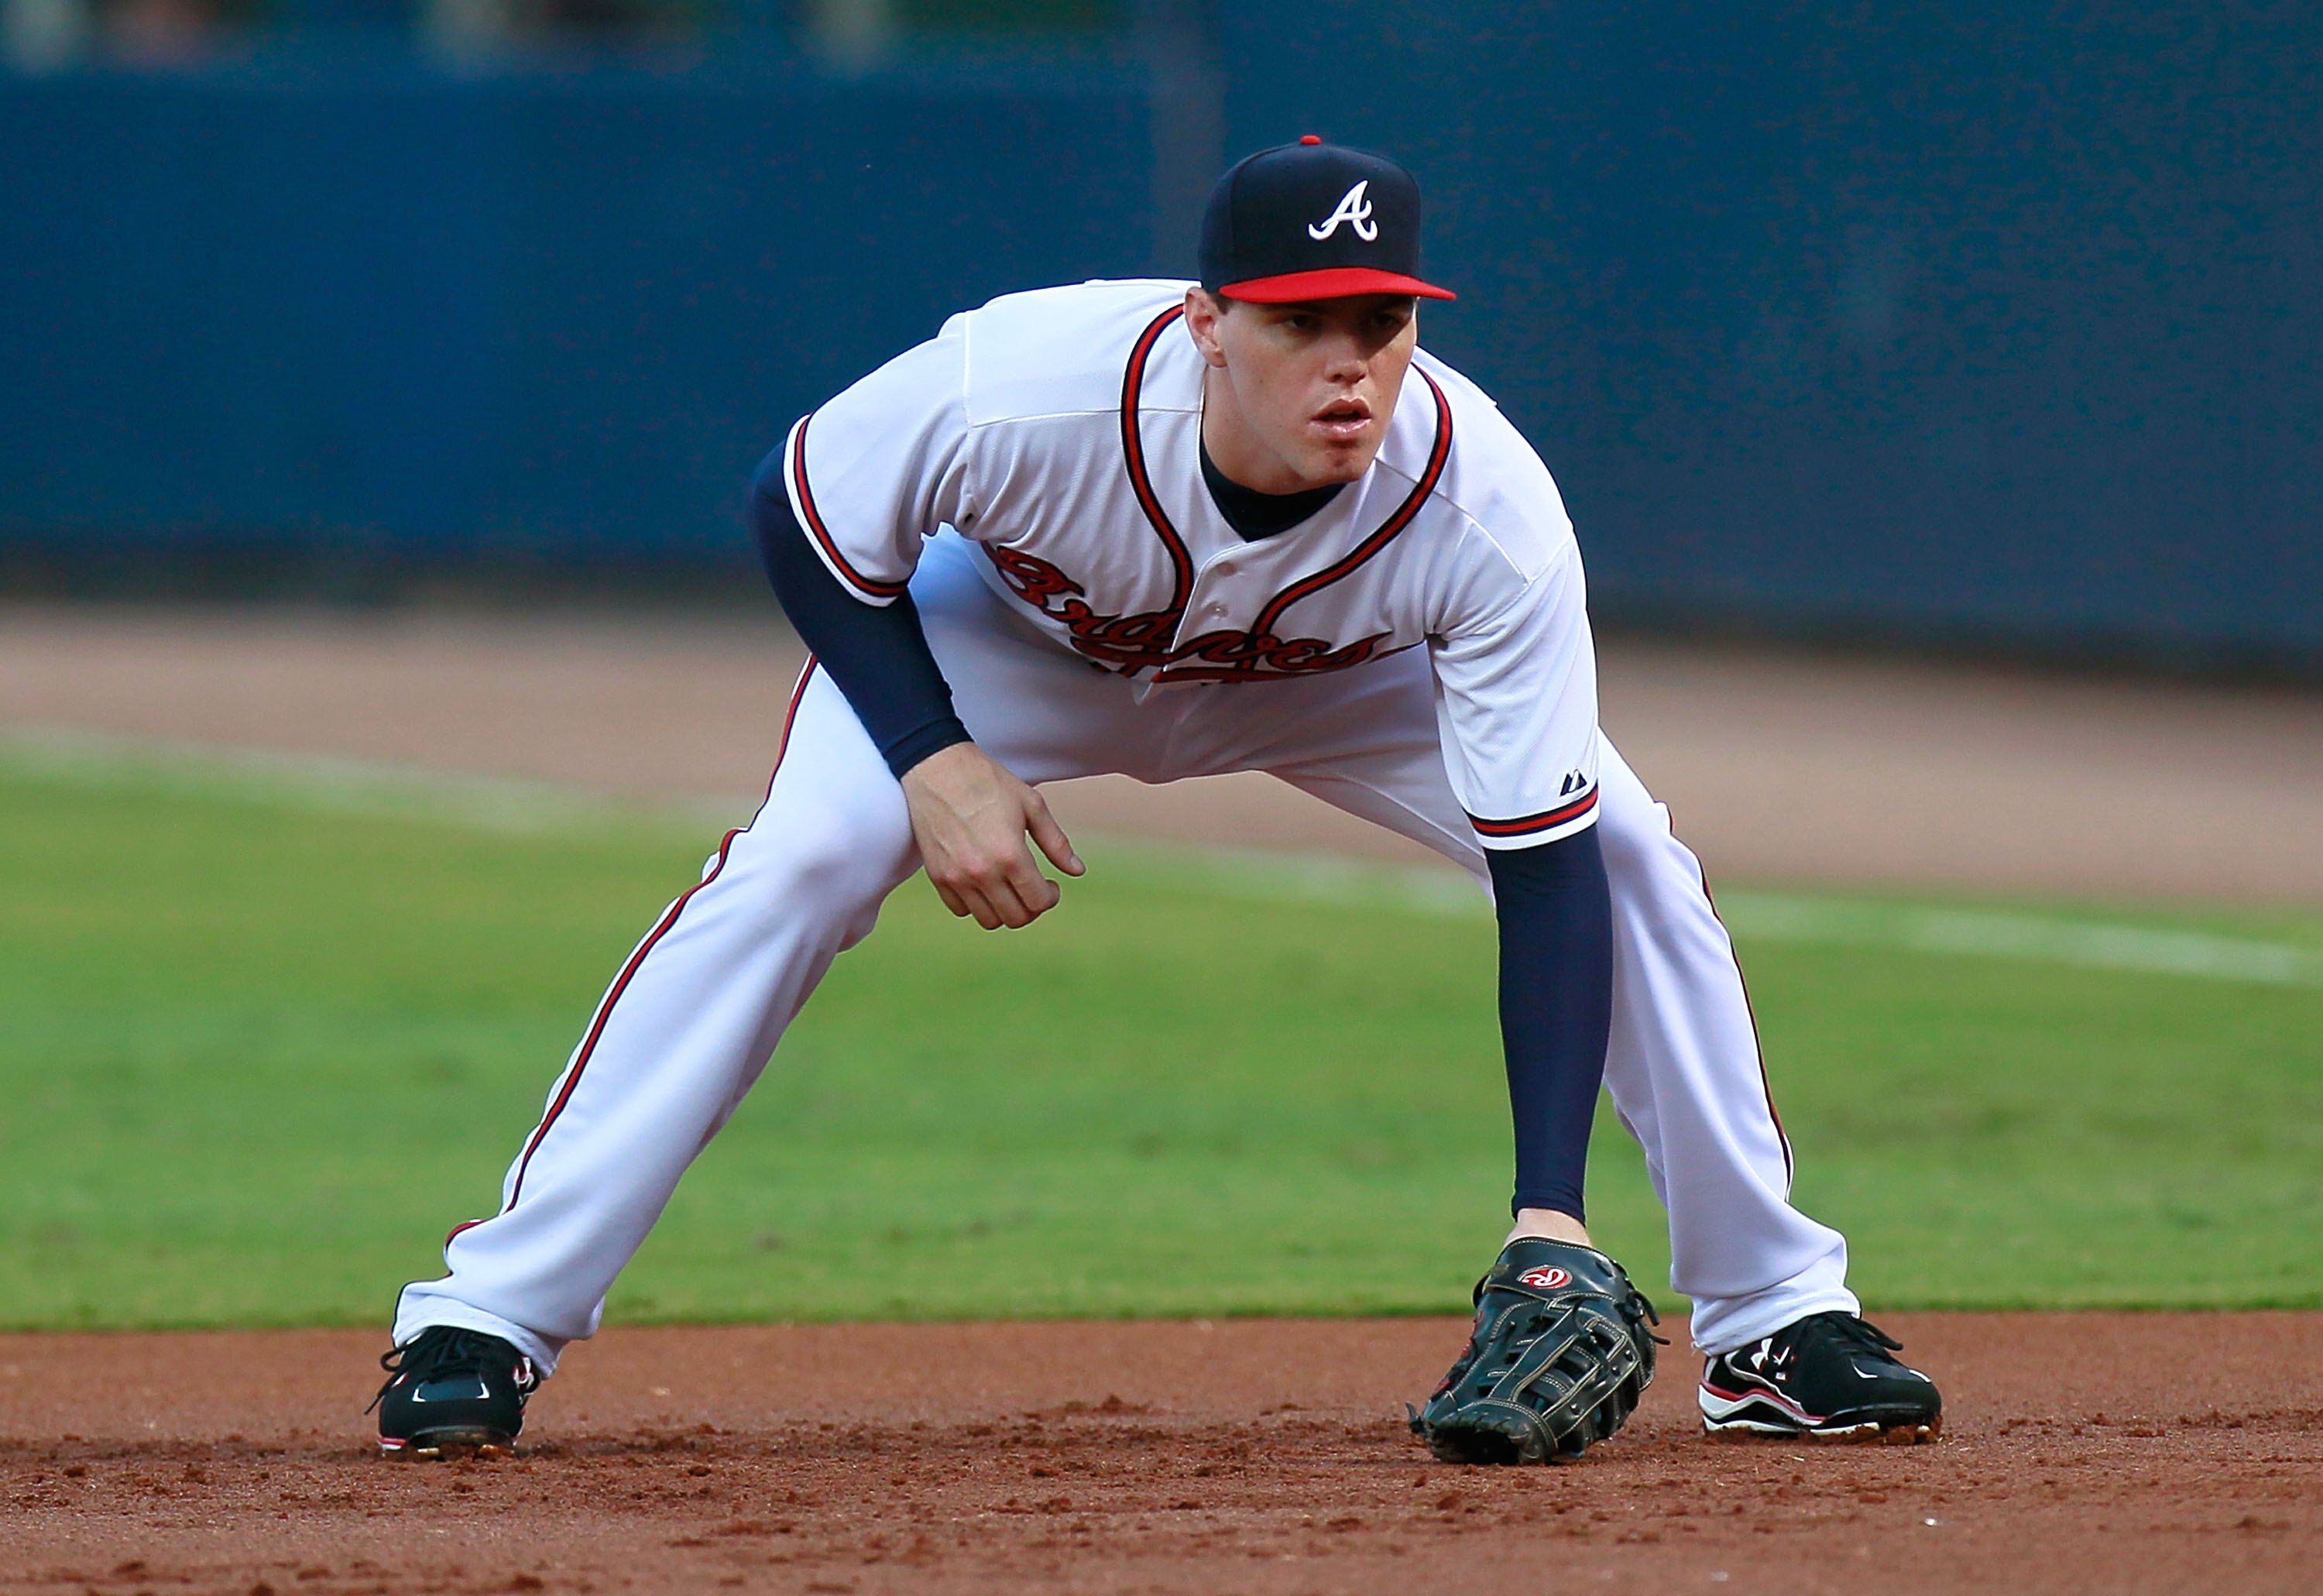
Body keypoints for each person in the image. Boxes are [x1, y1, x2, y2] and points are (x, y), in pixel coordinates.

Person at [372, 137, 1940, 1462]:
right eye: (1304, 319)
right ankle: (487, 1317)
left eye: (1383, 317)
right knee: (805, 860)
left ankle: (1772, 1316)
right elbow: (804, 511)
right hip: (1013, 647)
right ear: (1206, 321)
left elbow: (1541, 871)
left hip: (1342, 675)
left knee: (1623, 853)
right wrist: (932, 755)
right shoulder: (1023, 388)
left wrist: (1550, 1212)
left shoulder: (1486, 509)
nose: (1352, 359)